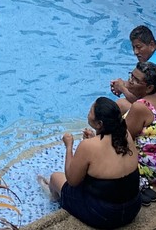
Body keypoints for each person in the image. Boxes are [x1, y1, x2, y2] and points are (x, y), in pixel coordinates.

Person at [40, 97, 142, 229]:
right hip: (132, 208)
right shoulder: (125, 134)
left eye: (90, 111)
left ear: (99, 124)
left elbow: (72, 181)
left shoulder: (88, 146)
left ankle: (55, 200)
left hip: (104, 216)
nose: (88, 113)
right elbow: (110, 155)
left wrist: (69, 146)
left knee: (55, 178)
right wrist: (94, 138)